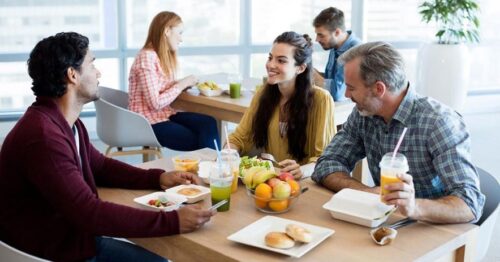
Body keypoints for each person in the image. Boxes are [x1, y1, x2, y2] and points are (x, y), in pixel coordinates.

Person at [0, 32, 216, 261]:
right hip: (53, 253)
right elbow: (89, 213)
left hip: (68, 241)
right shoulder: (43, 137)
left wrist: (158, 178)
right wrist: (173, 220)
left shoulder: (63, 123)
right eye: (92, 65)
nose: (98, 72)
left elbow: (99, 166)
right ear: (72, 75)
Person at [312, 42, 485, 224]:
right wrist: (365, 192)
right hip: (386, 222)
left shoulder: (439, 122)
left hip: (430, 226)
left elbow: (470, 204)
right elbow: (327, 163)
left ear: (379, 89)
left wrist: (414, 207)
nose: (346, 94)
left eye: (352, 88)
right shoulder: (364, 113)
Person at [226, 32, 336, 179]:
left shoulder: (322, 100)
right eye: (270, 58)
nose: (271, 65)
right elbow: (239, 138)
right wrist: (228, 153)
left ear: (301, 68)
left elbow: (325, 158)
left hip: (307, 183)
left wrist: (303, 170)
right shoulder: (262, 94)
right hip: (273, 180)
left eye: (281, 61)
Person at [129, 11, 220, 151]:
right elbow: (155, 103)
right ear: (166, 31)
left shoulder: (158, 56)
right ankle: (211, 170)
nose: (181, 39)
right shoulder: (146, 57)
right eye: (180, 33)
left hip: (165, 115)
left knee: (208, 123)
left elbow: (159, 87)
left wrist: (184, 83)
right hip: (148, 123)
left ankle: (211, 169)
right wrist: (181, 84)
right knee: (200, 140)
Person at [312, 7, 362, 101]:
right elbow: (330, 80)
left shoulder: (355, 51)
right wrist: (310, 70)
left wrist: (313, 74)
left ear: (337, 32)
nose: (317, 39)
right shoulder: (335, 45)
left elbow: (337, 94)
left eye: (321, 35)